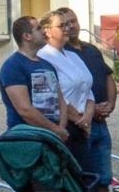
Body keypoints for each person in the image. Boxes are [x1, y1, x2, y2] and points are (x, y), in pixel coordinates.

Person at [0, 15, 68, 192]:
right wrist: (53, 130)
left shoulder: (46, 64)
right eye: (39, 28)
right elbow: (24, 109)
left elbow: (59, 97)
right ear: (27, 35)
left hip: (51, 138)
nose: (43, 31)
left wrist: (61, 126)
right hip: (27, 139)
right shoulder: (13, 66)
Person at [57, 9, 119, 192]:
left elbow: (107, 76)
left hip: (101, 123)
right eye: (64, 24)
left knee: (103, 178)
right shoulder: (61, 54)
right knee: (77, 180)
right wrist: (88, 112)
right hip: (79, 124)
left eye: (73, 21)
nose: (70, 26)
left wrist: (110, 104)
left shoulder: (91, 49)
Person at [37, 10, 95, 164]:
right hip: (65, 124)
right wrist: (79, 121)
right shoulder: (43, 57)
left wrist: (88, 116)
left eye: (68, 24)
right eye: (61, 25)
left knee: (86, 177)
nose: (67, 28)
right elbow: (54, 96)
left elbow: (87, 88)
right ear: (48, 31)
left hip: (84, 124)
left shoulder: (73, 56)